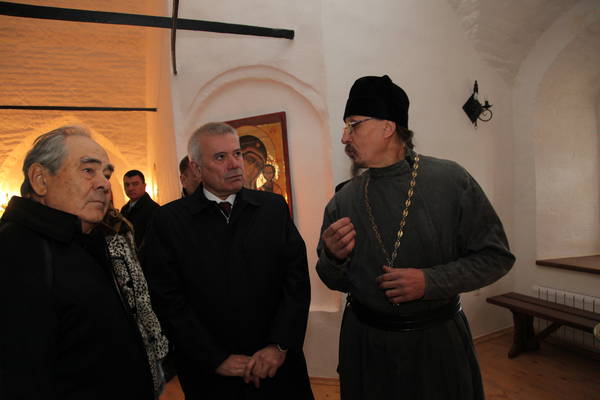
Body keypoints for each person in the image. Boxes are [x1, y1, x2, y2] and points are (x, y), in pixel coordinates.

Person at [316, 75, 515, 400]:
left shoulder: (450, 180)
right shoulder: (343, 200)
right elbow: (332, 279)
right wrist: (333, 257)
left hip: (435, 346)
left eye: (353, 125)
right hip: (366, 347)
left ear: (387, 126)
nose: (344, 137)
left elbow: (496, 257)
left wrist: (430, 282)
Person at [143, 122, 313, 400]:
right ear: (196, 168)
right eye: (220, 157)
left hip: (277, 366)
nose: (234, 164)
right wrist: (214, 358)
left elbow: (296, 281)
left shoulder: (272, 208)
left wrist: (279, 345)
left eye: (237, 154)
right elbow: (167, 299)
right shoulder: (169, 221)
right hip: (210, 372)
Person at [0, 126, 157, 399]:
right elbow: (20, 376)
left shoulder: (81, 240)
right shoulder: (17, 250)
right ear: (40, 179)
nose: (104, 184)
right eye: (88, 170)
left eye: (106, 174)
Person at [121, 169, 159, 249]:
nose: (130, 188)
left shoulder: (154, 209)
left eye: (135, 184)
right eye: (127, 185)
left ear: (144, 186)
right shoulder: (124, 209)